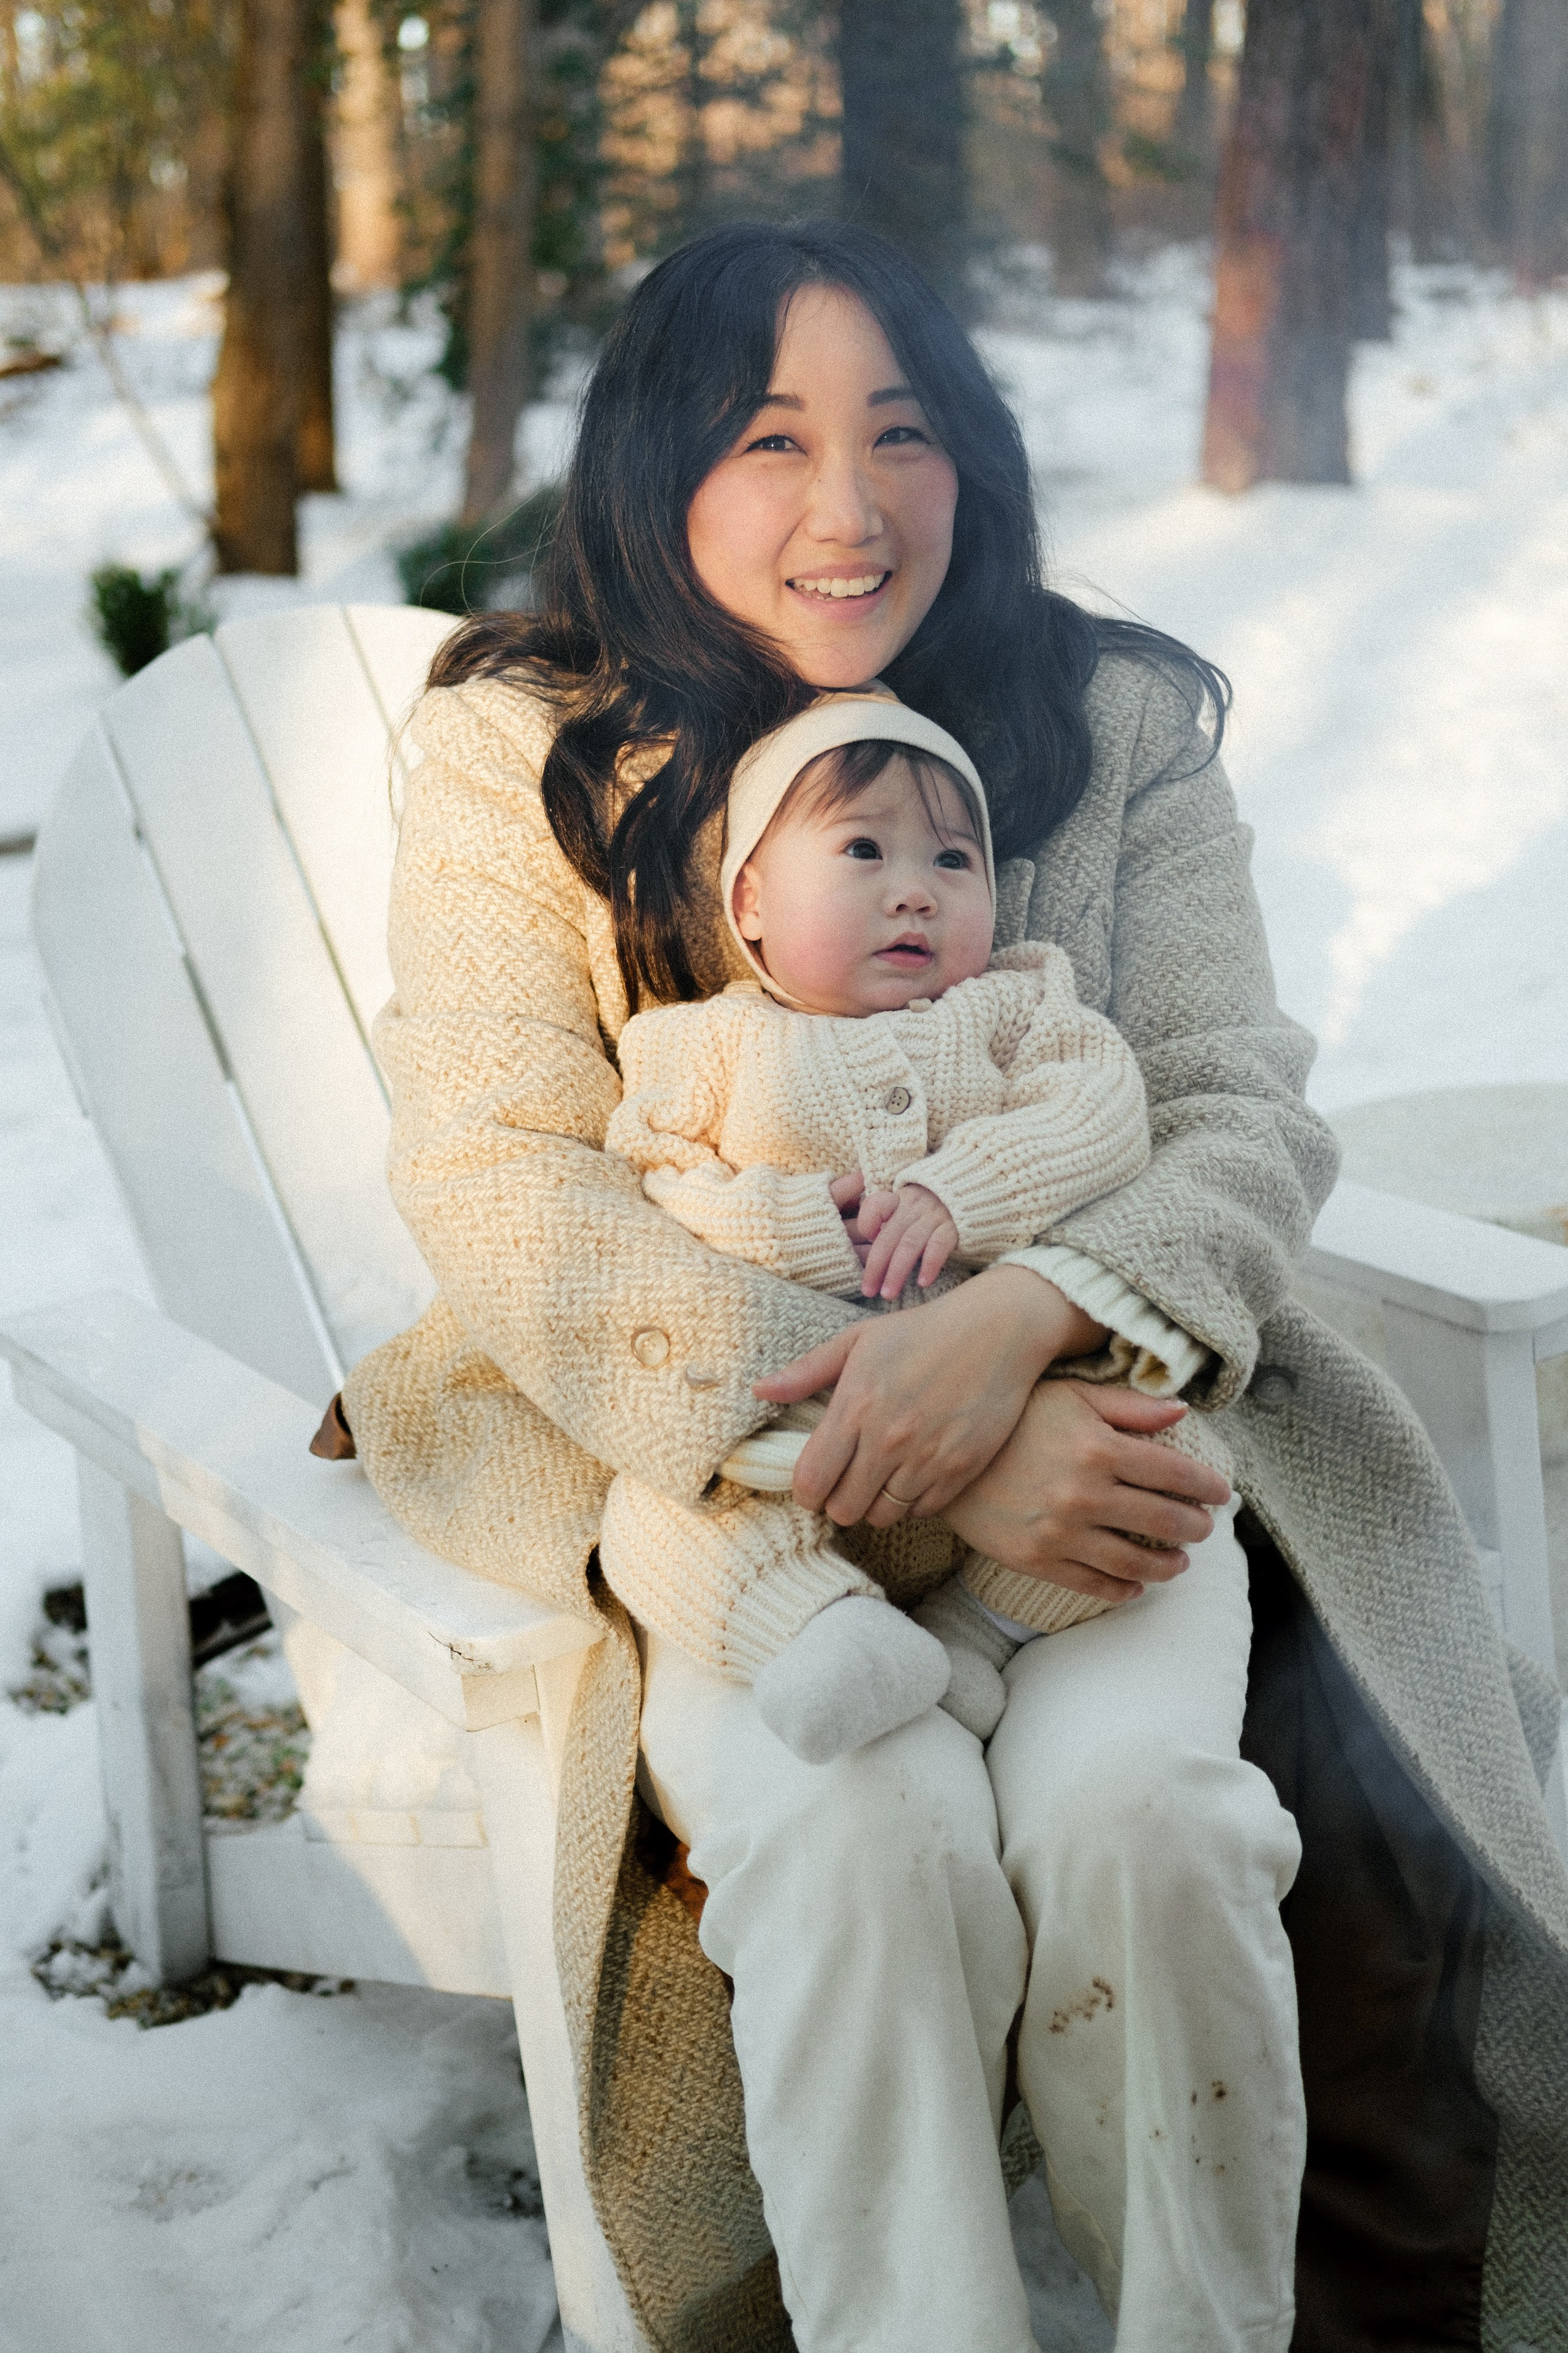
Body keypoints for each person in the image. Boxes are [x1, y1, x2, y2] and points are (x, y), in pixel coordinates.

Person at [344, 219, 1568, 2352]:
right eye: (775, 438)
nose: (854, 503)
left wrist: (1022, 1329)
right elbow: (507, 1179)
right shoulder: (526, 752)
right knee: (862, 1849)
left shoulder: (1109, 721)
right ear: (654, 468)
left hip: (1111, 1470)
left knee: (1161, 1828)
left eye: (902, 432)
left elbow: (1235, 1108)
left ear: (973, 457)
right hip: (733, 1501)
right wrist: (916, 1434)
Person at [598, 695, 1230, 1765]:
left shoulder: (1018, 1010)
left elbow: (1101, 1112)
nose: (913, 893)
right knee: (652, 1517)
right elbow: (652, 1178)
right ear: (749, 898)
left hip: (1012, 1421)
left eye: (952, 860)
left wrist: (960, 1192)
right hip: (797, 1449)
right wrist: (796, 1222)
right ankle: (814, 1632)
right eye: (862, 849)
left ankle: (974, 1633)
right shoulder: (707, 1045)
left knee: (1169, 1460)